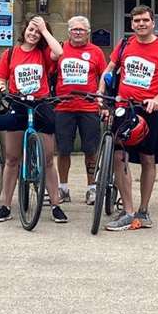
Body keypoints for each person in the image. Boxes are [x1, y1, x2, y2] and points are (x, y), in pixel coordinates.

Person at [103, 4, 158, 231]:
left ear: (153, 22)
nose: (141, 24)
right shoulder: (125, 45)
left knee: (148, 159)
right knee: (119, 157)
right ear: (132, 24)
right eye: (136, 21)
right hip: (123, 108)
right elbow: (109, 70)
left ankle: (143, 210)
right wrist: (102, 98)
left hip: (149, 110)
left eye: (145, 20)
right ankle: (127, 211)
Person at [0, 15, 66, 224]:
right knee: (12, 159)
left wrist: (45, 29)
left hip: (41, 104)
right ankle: (5, 205)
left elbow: (59, 52)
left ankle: (56, 205)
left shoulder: (44, 53)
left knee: (48, 159)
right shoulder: (11, 53)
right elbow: (1, 77)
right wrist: (0, 86)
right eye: (31, 29)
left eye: (37, 31)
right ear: (24, 31)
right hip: (18, 102)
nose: (33, 34)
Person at [52, 16, 104, 206]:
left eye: (82, 30)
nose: (78, 32)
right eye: (74, 29)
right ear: (69, 32)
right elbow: (49, 71)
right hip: (64, 106)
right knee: (63, 150)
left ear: (88, 32)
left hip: (88, 107)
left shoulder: (96, 52)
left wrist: (101, 98)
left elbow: (103, 77)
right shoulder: (60, 49)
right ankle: (63, 188)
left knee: (90, 151)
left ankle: (91, 189)